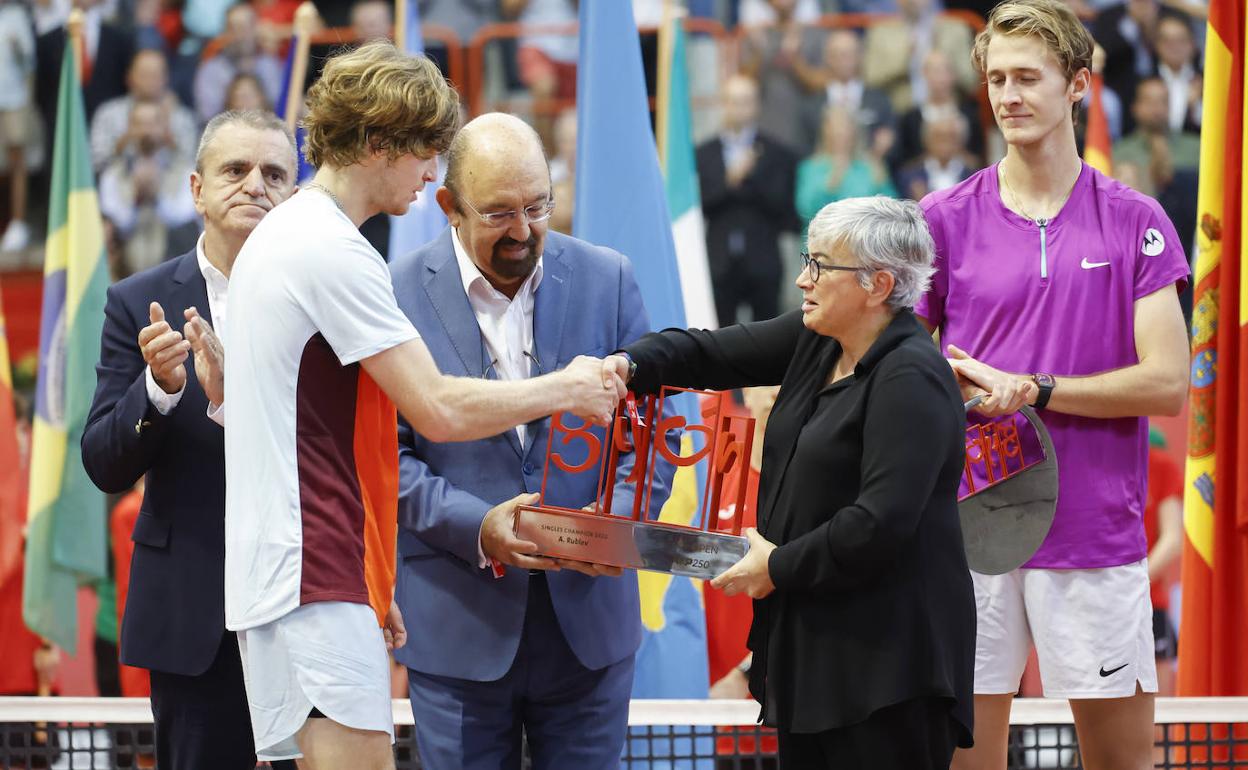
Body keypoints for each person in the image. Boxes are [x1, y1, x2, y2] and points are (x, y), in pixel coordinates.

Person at [199, 42, 624, 768]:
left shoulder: (287, 237)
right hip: (314, 576)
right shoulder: (331, 249)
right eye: (425, 151)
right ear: (375, 144)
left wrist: (373, 576)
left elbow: (302, 425)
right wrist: (569, 388)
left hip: (305, 575)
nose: (433, 173)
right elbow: (436, 409)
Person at [913, 2, 1191, 769]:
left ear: (1077, 84)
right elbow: (900, 366)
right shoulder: (941, 218)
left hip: (1096, 536)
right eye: (996, 78)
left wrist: (1034, 388)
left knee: (1122, 764)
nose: (1007, 95)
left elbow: (1167, 383)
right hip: (968, 536)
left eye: (1027, 78)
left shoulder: (1136, 219)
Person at [618, 196, 976, 769]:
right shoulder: (819, 338)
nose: (802, 278)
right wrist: (626, 366)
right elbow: (711, 353)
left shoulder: (912, 375)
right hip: (816, 651)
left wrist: (775, 566)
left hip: (887, 667)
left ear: (878, 284)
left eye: (819, 265)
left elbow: (878, 523)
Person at [388, 111, 675, 770]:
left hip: (590, 630)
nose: (523, 230)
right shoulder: (392, 293)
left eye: (537, 205)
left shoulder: (610, 277)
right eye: (497, 214)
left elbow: (656, 430)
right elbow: (385, 458)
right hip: (458, 626)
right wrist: (479, 526)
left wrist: (619, 521)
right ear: (448, 208)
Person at [81, 109, 300, 770]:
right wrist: (159, 388)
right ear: (197, 189)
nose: (255, 185)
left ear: (294, 195)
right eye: (236, 169)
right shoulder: (136, 299)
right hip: (192, 617)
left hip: (302, 607)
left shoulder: (320, 296)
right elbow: (103, 462)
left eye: (274, 173)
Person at [697, 74, 798, 327]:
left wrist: (750, 179)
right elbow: (702, 204)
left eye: (746, 101)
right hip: (720, 261)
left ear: (756, 105)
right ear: (723, 104)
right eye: (733, 101)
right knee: (718, 337)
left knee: (767, 338)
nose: (739, 108)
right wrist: (730, 181)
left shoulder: (777, 152)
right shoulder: (703, 153)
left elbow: (783, 207)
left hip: (762, 259)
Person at [795, 107, 896, 230]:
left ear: (854, 131)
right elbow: (805, 211)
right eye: (835, 127)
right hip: (822, 243)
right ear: (825, 131)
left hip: (863, 242)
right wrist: (831, 183)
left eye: (845, 126)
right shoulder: (810, 168)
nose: (840, 133)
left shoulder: (871, 167)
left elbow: (891, 209)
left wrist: (880, 178)